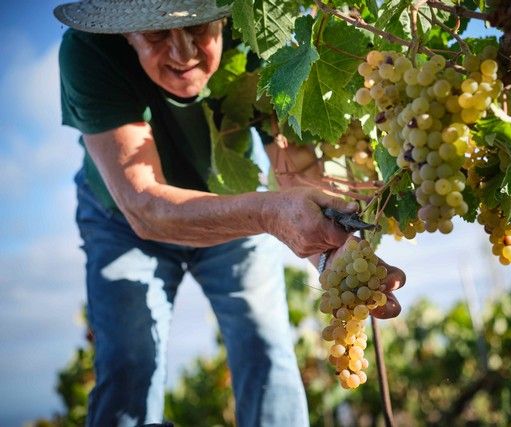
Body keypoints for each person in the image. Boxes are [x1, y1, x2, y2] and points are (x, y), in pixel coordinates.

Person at [53, 1, 406, 425]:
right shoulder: (87, 52)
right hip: (125, 221)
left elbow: (297, 172)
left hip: (234, 201)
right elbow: (145, 207)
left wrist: (335, 250)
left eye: (199, 29)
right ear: (124, 35)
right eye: (157, 35)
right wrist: (269, 215)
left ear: (224, 17)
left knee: (267, 352)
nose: (184, 54)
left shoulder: (261, 29)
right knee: (129, 365)